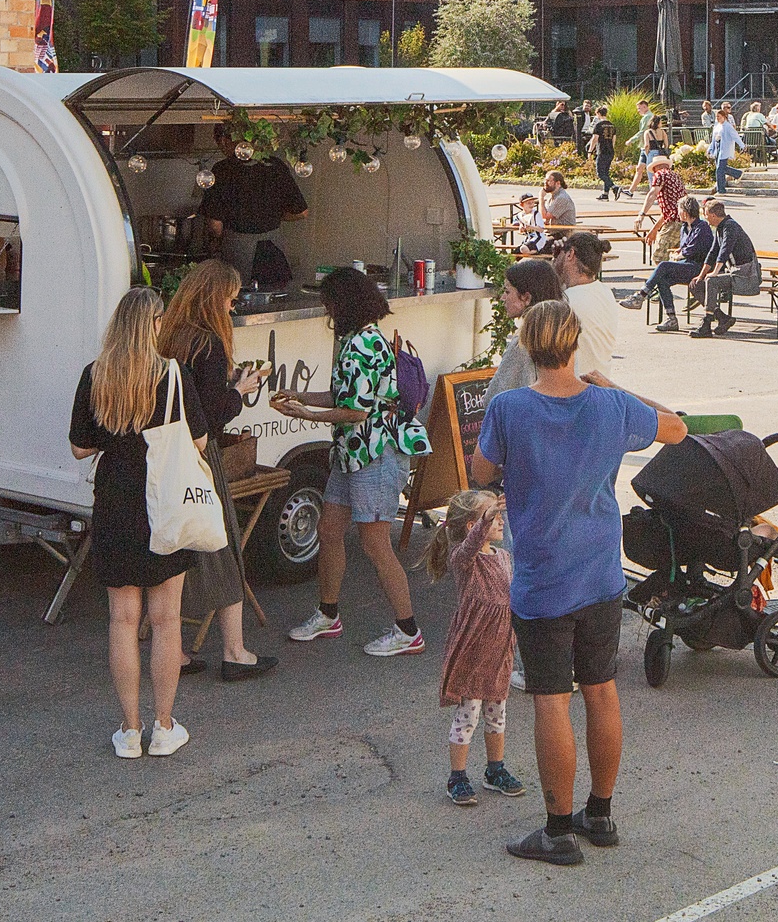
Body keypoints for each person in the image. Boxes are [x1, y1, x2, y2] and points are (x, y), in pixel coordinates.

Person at [472, 299, 688, 866]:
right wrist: (613, 386)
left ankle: (557, 829)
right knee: (601, 689)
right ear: (574, 345)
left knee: (551, 700)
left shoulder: (510, 408)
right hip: (600, 573)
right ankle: (602, 812)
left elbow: (479, 473)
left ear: (527, 345)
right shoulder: (610, 405)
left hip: (544, 576)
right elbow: (677, 428)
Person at [69, 286, 207, 758]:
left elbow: (80, 447)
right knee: (167, 620)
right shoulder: (173, 375)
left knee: (122, 620)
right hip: (163, 503)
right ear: (150, 325)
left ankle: (129, 731)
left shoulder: (95, 375)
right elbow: (202, 443)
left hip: (115, 502)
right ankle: (164, 727)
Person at [278, 267, 430, 655]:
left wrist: (305, 415)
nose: (326, 309)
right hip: (354, 453)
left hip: (373, 454)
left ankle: (408, 630)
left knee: (375, 543)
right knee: (330, 530)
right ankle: (328, 614)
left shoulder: (361, 344)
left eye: (329, 301)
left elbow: (356, 412)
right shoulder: (358, 339)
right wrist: (302, 396)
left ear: (342, 303)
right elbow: (344, 396)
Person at [157, 260, 276, 682]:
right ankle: (234, 651)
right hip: (200, 459)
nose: (232, 307)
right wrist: (240, 392)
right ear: (213, 300)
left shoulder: (169, 335)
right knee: (223, 549)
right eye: (229, 299)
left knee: (172, 551)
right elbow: (209, 413)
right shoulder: (210, 344)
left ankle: (174, 650)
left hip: (162, 460)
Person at [424, 489, 528, 805]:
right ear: (474, 526)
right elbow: (470, 545)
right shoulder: (464, 560)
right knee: (467, 716)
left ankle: (494, 770)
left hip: (500, 650)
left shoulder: (505, 558)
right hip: (473, 650)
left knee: (497, 714)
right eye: (494, 519)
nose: (500, 523)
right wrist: (486, 516)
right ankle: (457, 776)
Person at [202, 124, 309, 283]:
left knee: (236, 298)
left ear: (224, 140)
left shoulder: (222, 170)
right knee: (273, 300)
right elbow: (302, 212)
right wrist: (272, 217)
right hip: (273, 251)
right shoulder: (275, 166)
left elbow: (216, 226)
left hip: (237, 252)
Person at [621, 194, 713, 331]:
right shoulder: (683, 227)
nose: (677, 212)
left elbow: (693, 250)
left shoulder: (702, 227)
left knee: (663, 265)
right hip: (687, 265)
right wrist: (679, 252)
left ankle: (641, 295)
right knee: (662, 280)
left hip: (699, 268)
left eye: (679, 209)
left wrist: (680, 254)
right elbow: (685, 247)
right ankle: (671, 318)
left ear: (686, 211)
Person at [489, 258, 568, 397]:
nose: (502, 298)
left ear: (526, 298)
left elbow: (493, 397)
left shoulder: (523, 342)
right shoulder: (565, 333)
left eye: (507, 292)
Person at [690, 199, 760, 338]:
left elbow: (725, 250)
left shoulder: (730, 227)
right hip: (734, 273)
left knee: (712, 281)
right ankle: (723, 318)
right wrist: (701, 275)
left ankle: (706, 324)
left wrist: (715, 272)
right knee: (696, 285)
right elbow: (713, 252)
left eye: (706, 215)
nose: (705, 218)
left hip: (746, 276)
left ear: (713, 215)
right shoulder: (720, 228)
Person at [550, 231, 616, 379]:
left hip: (574, 388)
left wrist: (555, 268)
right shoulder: (605, 292)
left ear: (570, 254)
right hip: (601, 383)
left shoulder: (566, 302)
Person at [633, 152, 687, 263]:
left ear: (656, 167)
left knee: (659, 257)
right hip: (684, 221)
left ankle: (663, 279)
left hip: (673, 222)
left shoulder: (660, 174)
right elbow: (668, 211)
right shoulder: (675, 176)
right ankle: (672, 278)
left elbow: (652, 194)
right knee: (674, 257)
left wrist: (641, 214)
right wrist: (654, 230)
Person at [707, 104, 743, 195]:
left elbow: (735, 136)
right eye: (717, 117)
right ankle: (737, 174)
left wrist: (742, 145)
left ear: (723, 117)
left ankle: (721, 189)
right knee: (721, 168)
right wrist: (710, 149)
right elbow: (713, 139)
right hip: (717, 147)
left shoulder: (728, 126)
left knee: (720, 169)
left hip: (724, 148)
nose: (717, 118)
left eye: (719, 117)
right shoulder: (717, 126)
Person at [588, 112, 620, 200]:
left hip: (602, 150)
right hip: (610, 151)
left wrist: (590, 151)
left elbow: (594, 139)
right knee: (606, 173)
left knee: (600, 173)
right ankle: (605, 194)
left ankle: (614, 187)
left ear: (598, 113)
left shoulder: (598, 125)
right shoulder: (612, 125)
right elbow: (614, 140)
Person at [540, 170, 578, 240]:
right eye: (545, 180)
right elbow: (546, 220)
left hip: (563, 235)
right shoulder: (552, 197)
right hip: (553, 233)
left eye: (548, 181)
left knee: (537, 246)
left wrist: (541, 197)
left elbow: (545, 216)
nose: (545, 183)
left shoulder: (562, 198)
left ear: (558, 183)